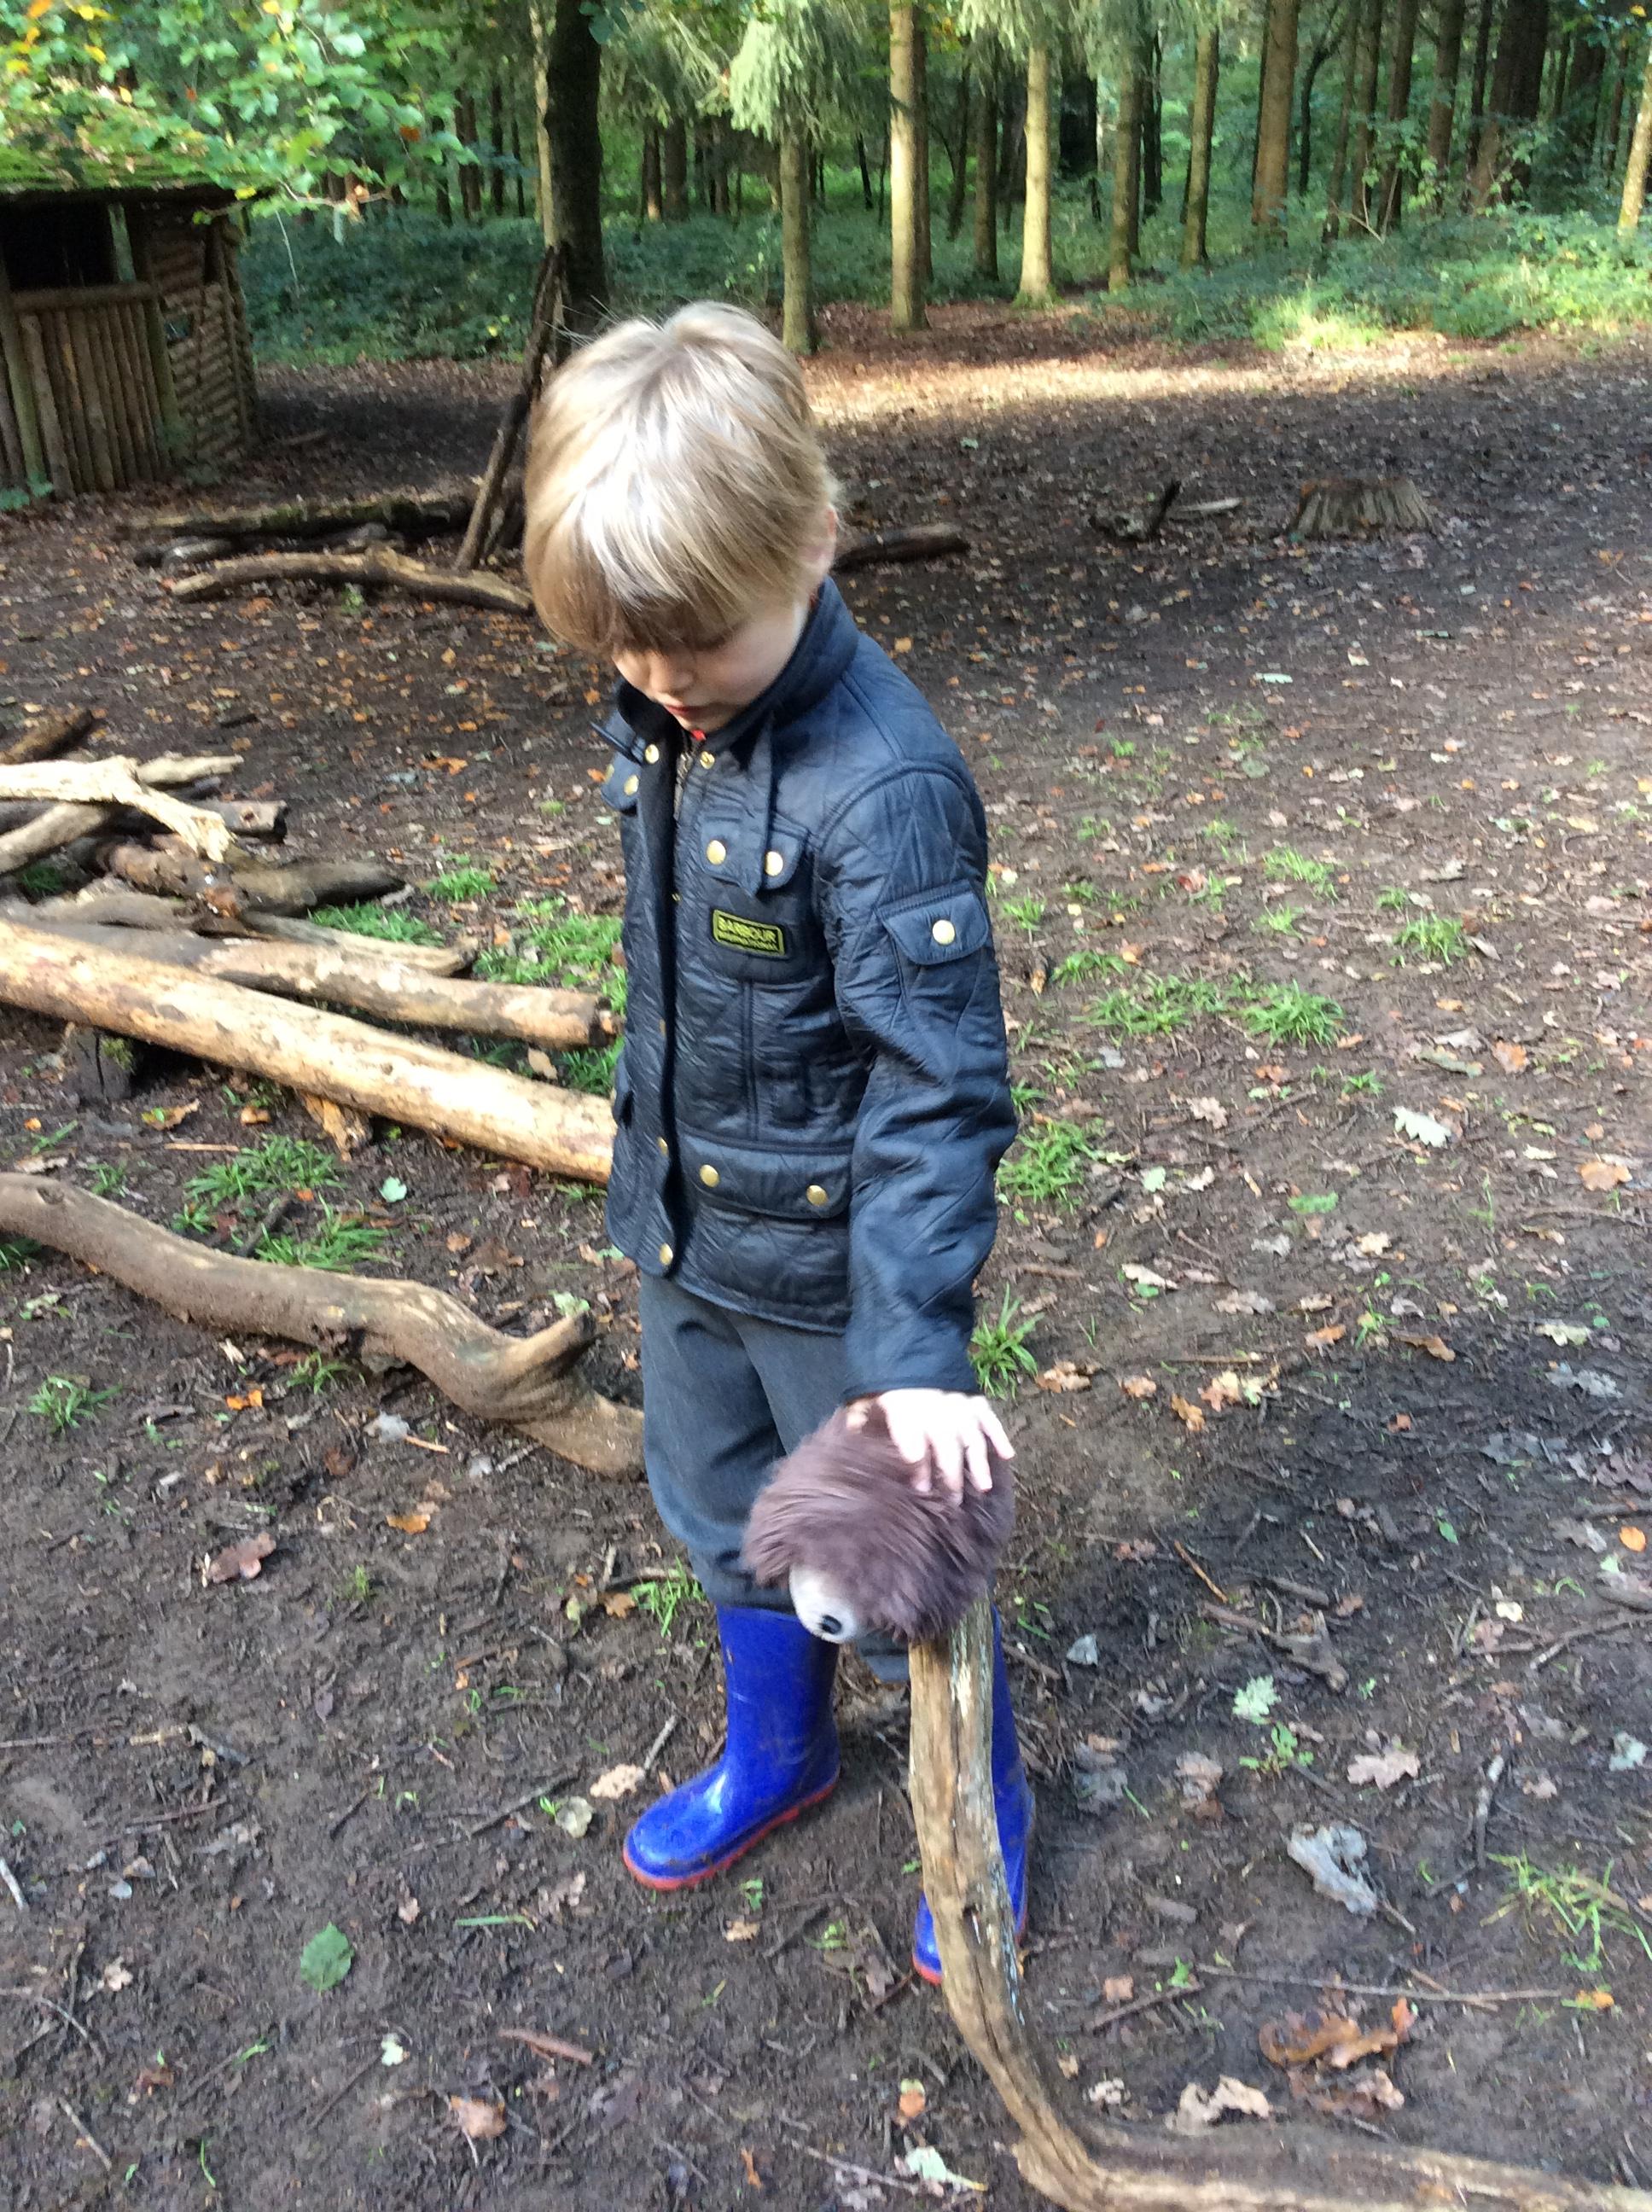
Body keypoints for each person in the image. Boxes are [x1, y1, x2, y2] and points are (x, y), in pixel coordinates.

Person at [522, 300, 1030, 1983]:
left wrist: (913, 1352)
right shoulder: (669, 718)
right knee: (723, 1510)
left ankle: (981, 1808)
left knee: (893, 1565)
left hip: (834, 1283)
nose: (663, 685)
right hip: (689, 1238)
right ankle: (781, 1753)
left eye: (696, 647)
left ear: (812, 540)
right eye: (627, 652)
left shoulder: (882, 789)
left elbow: (937, 1087)